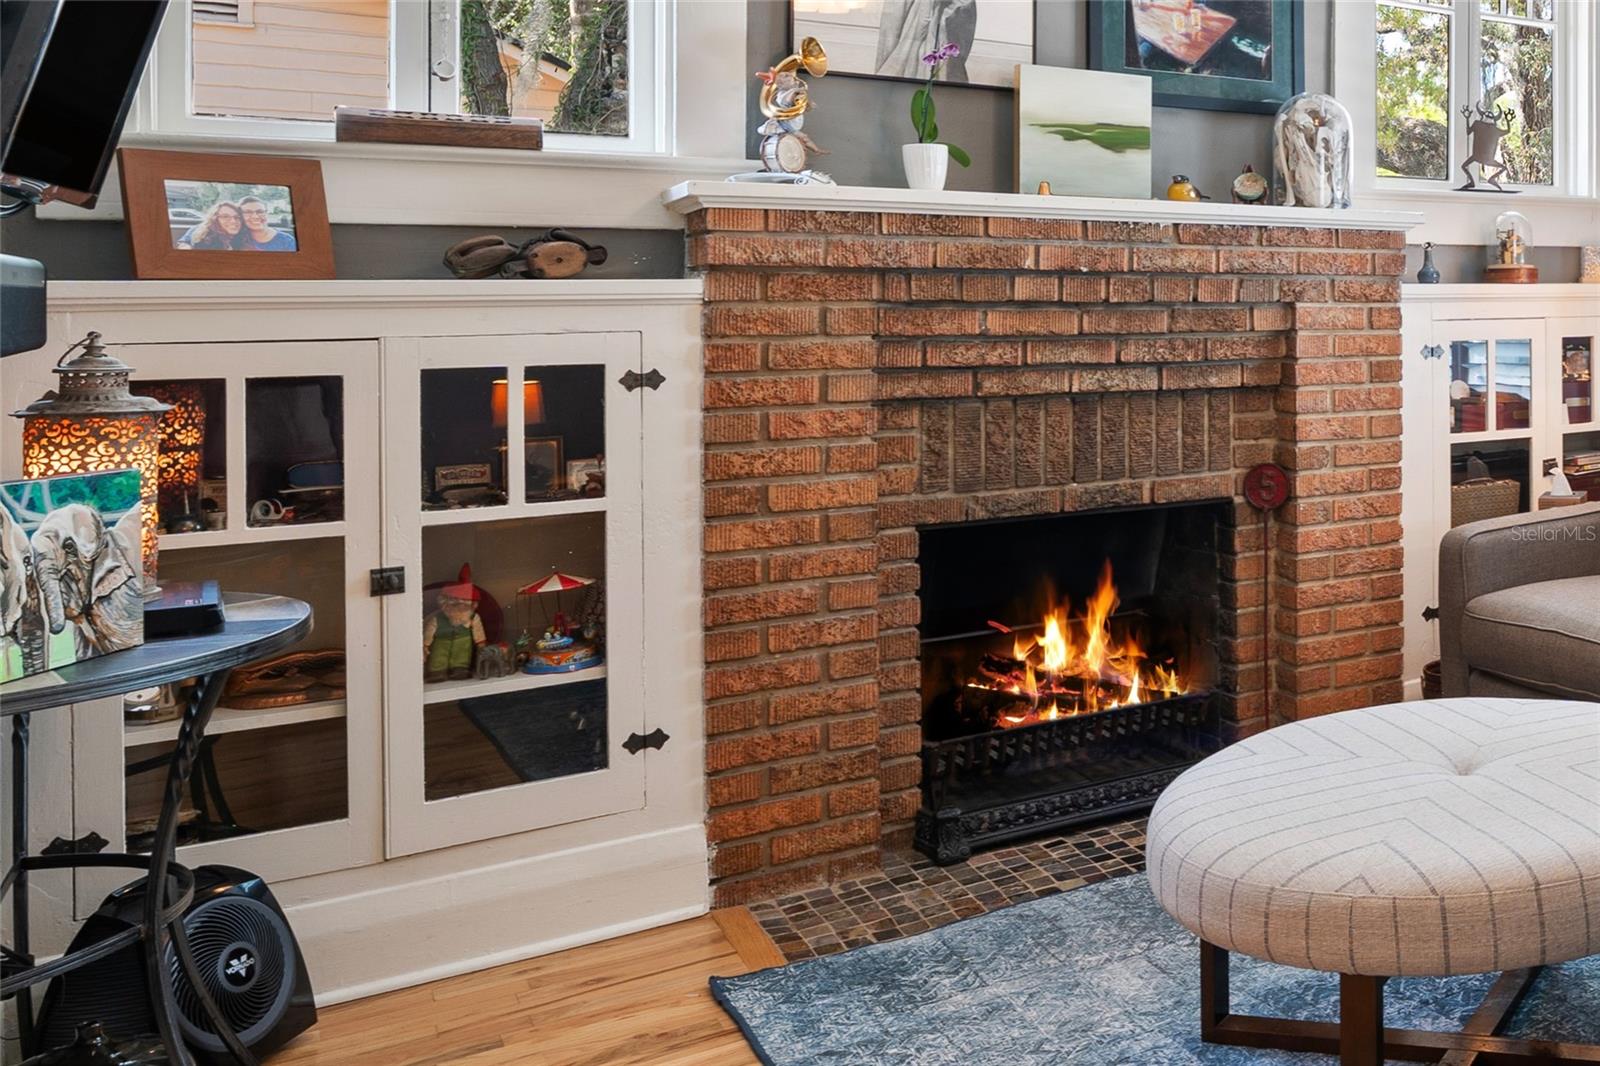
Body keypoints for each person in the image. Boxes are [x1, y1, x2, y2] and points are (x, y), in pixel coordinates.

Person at [175, 200, 244, 250]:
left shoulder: (240, 236)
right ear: (214, 219)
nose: (233, 221)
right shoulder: (207, 241)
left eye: (237, 217)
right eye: (225, 216)